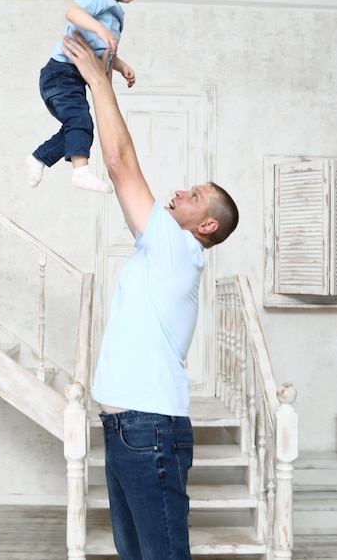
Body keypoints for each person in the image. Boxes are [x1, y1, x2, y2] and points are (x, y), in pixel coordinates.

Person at [62, 33, 239, 559]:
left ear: (204, 224)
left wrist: (97, 79)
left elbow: (120, 165)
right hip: (126, 430)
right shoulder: (159, 249)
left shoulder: (178, 248)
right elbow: (123, 177)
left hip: (148, 432)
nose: (181, 189)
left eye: (196, 195)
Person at [25, 0, 142, 193]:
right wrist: (100, 29)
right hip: (61, 72)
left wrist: (121, 66)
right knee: (80, 119)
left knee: (78, 125)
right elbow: (73, 12)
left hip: (71, 77)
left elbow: (100, 50)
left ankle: (39, 158)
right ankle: (80, 172)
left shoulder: (116, 13)